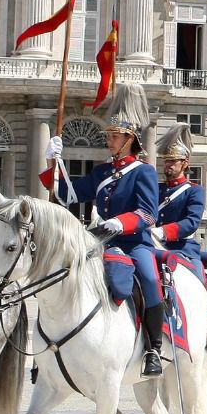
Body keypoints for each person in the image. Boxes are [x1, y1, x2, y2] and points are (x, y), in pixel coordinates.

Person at [42, 84, 164, 377]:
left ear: (129, 139)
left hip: (135, 244)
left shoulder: (143, 171)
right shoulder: (102, 172)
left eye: (114, 136)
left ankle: (153, 349)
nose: (108, 140)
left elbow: (148, 214)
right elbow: (67, 194)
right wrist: (52, 161)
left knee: (148, 278)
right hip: (102, 243)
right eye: (108, 135)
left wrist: (122, 222)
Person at [151, 123, 206, 283]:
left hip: (182, 248)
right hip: (152, 245)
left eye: (173, 161)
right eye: (166, 161)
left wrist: (163, 232)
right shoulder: (156, 188)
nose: (168, 164)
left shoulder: (194, 191)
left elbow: (191, 222)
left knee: (198, 281)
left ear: (185, 163)